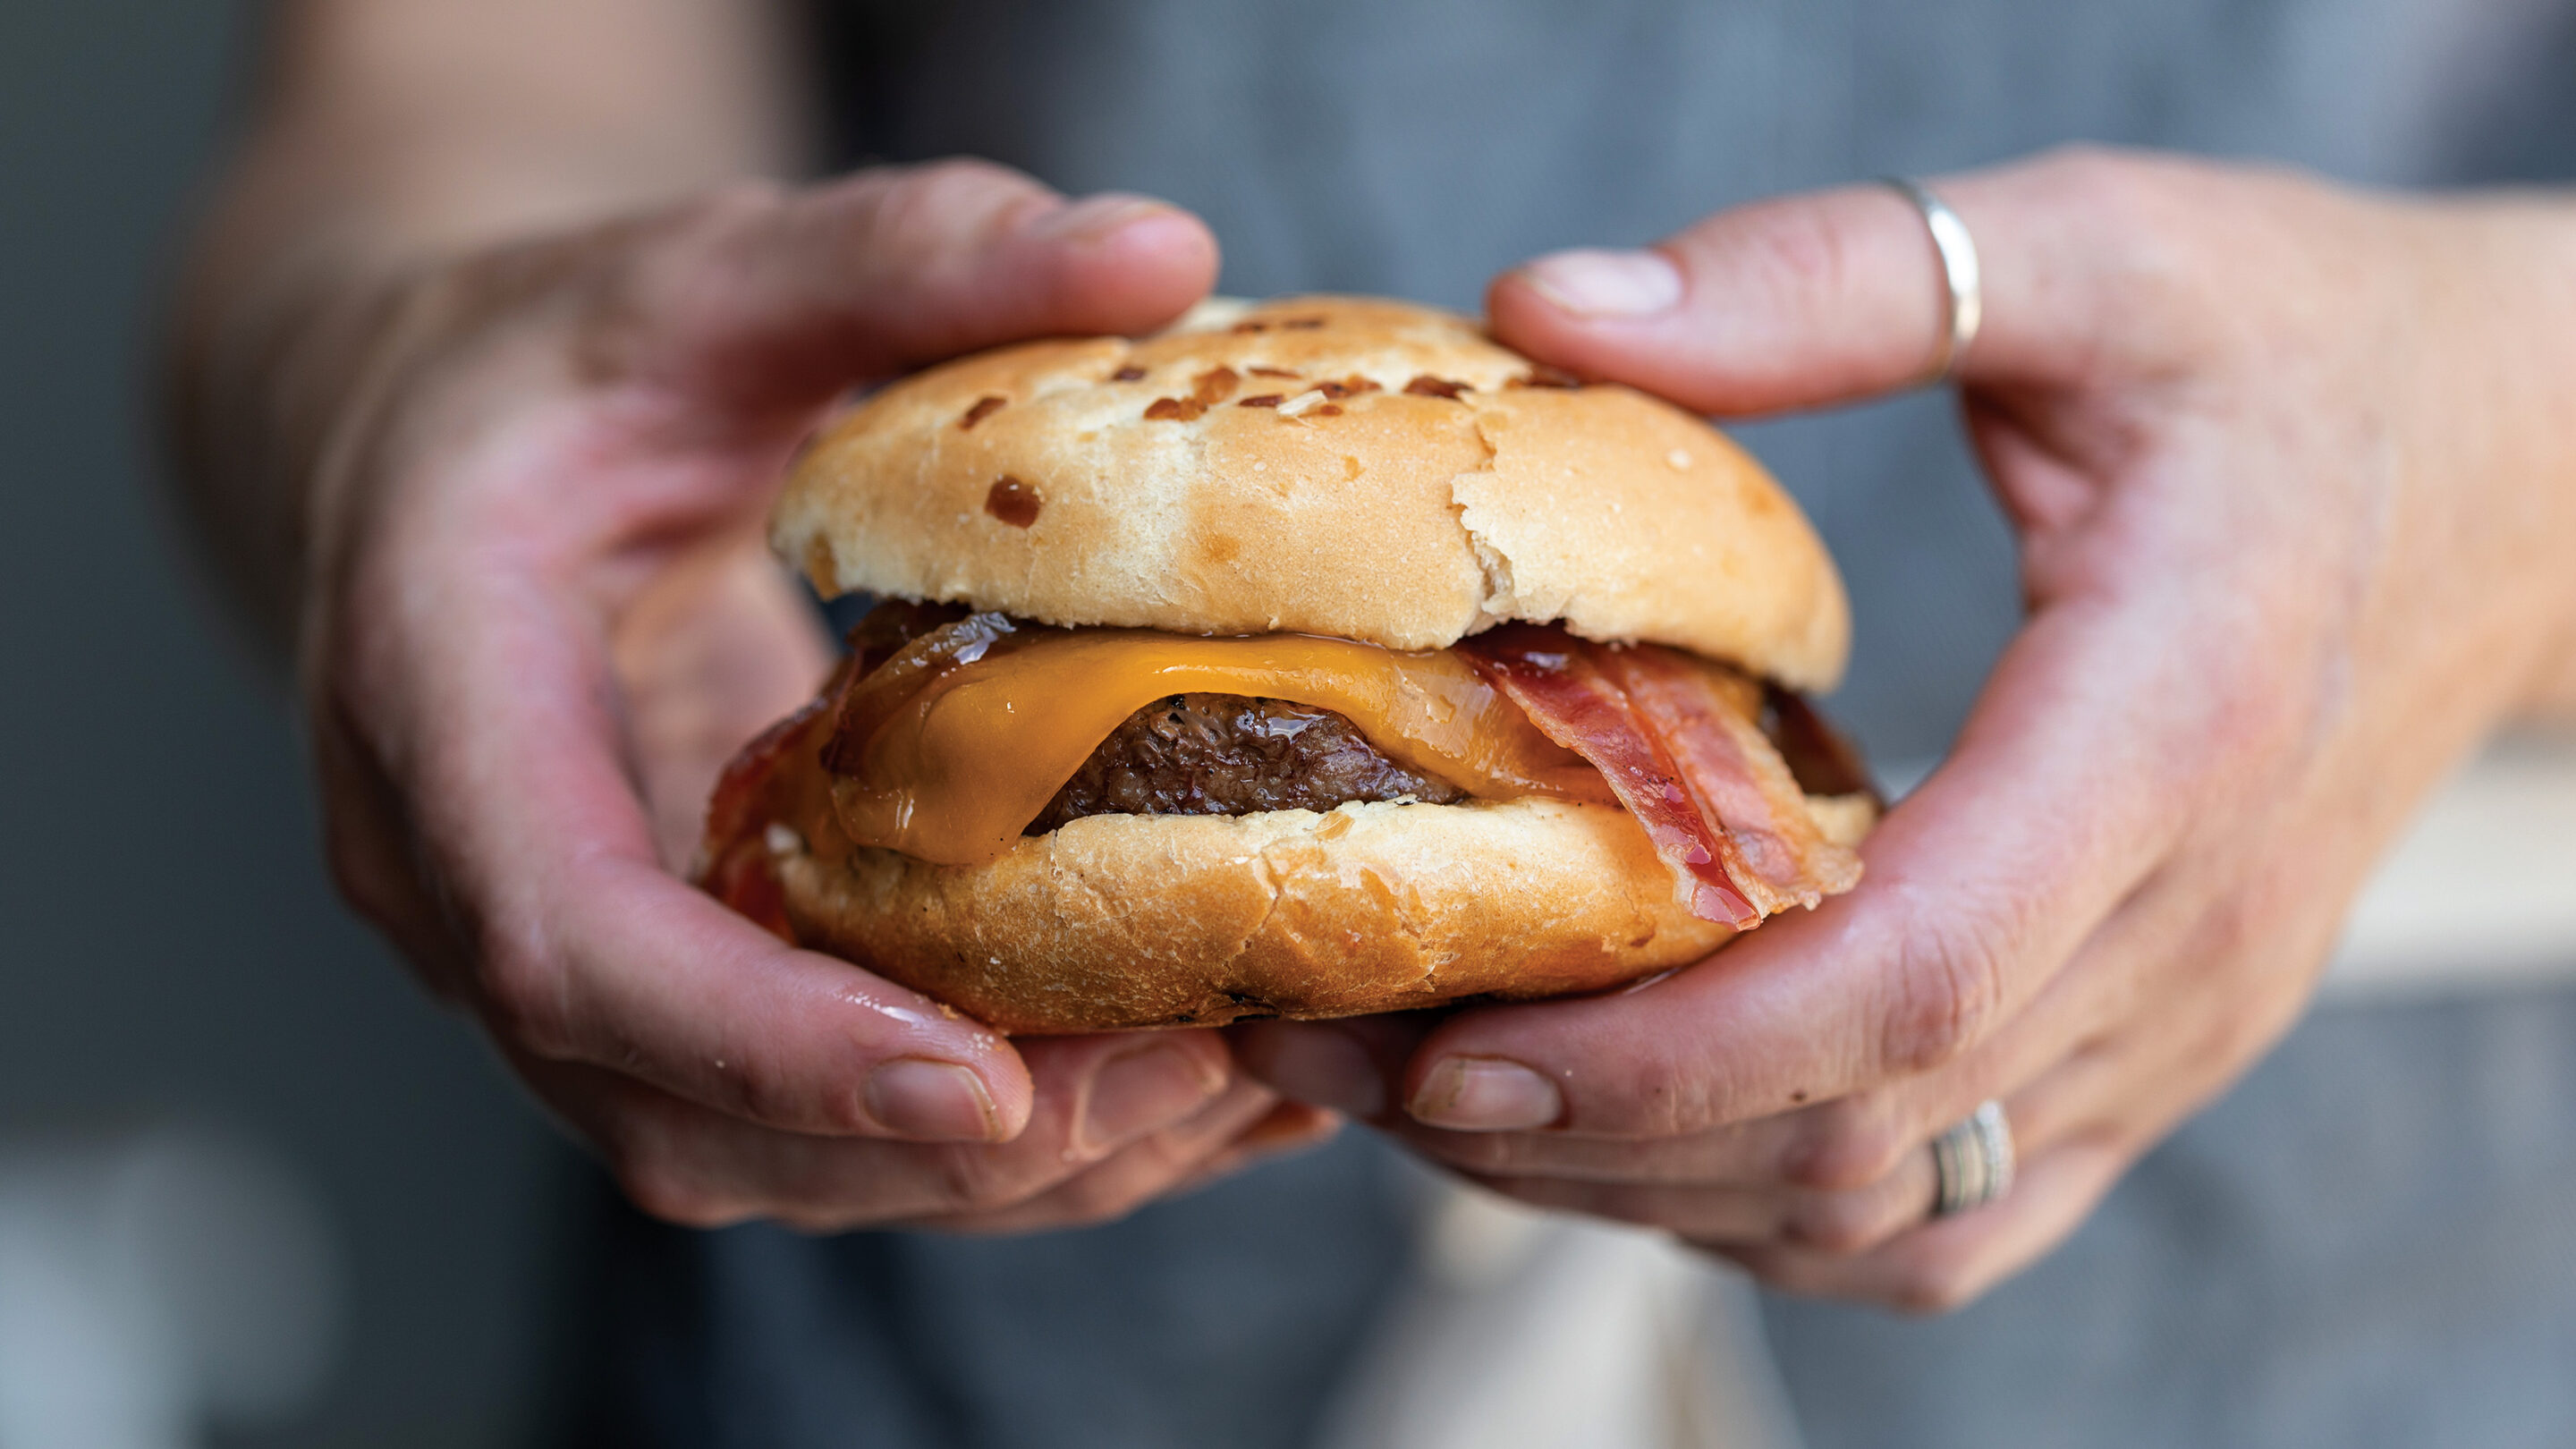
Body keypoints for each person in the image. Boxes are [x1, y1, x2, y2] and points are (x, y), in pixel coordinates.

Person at [168, 1, 2576, 1445]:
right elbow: (469, 68)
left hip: (2328, 1287)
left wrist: (2498, 458)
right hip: (924, 1347)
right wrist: (400, 364)